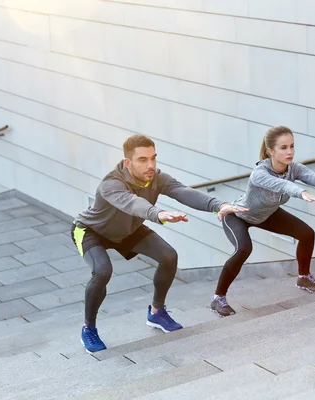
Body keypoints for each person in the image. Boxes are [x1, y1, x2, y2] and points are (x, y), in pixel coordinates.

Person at [71, 134, 247, 353]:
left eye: (153, 158)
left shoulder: (157, 178)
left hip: (128, 230)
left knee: (168, 256)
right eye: (143, 160)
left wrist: (219, 205)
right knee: (103, 270)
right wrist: (160, 213)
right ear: (128, 163)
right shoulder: (111, 184)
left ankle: (156, 312)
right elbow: (133, 204)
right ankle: (89, 328)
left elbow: (184, 192)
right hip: (92, 231)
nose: (151, 165)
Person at [210, 126, 315, 317]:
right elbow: (282, 185)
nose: (289, 152)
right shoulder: (259, 173)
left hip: (267, 214)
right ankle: (218, 298)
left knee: (306, 233)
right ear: (270, 151)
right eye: (283, 148)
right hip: (239, 215)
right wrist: (302, 192)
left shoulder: (294, 168)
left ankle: (303, 278)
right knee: (243, 249)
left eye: (292, 146)